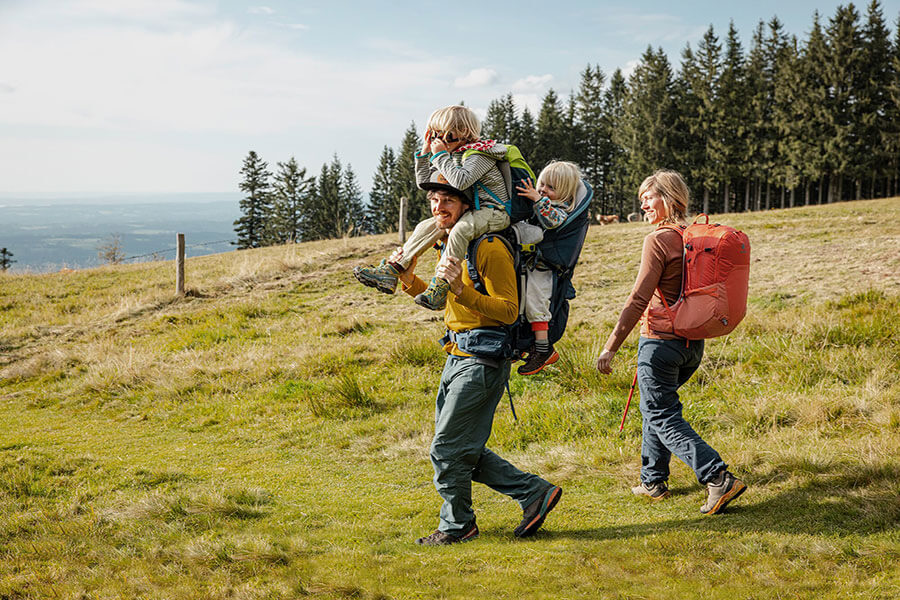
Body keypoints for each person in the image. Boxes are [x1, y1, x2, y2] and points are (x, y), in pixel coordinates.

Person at [390, 174, 561, 545]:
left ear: (467, 204)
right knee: (459, 447)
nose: (439, 208)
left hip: (483, 360)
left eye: (448, 201)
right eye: (434, 201)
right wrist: (408, 279)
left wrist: (460, 289)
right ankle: (534, 493)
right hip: (455, 355)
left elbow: (507, 310)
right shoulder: (451, 247)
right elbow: (451, 302)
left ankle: (457, 526)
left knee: (446, 448)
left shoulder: (489, 248)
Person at [595, 169, 746, 515]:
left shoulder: (658, 240)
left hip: (660, 343)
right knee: (656, 407)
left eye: (649, 197)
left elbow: (637, 299)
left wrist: (611, 346)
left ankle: (717, 476)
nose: (643, 204)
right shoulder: (693, 238)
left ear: (668, 200)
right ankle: (653, 480)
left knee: (660, 413)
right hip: (691, 344)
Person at [354, 105, 511, 311]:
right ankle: (392, 270)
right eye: (433, 132)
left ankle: (441, 284)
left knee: (460, 230)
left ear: (462, 133)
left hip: (495, 212)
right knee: (426, 226)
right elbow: (428, 183)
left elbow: (459, 182)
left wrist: (439, 156)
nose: (436, 137)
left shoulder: (480, 154)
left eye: (441, 133)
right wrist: (425, 155)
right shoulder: (454, 154)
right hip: (474, 210)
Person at [513, 160, 585, 376]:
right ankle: (528, 342)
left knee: (537, 302)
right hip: (531, 263)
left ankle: (544, 348)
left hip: (545, 268)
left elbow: (553, 222)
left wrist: (538, 200)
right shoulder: (542, 204)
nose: (543, 190)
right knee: (525, 302)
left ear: (565, 194)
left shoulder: (560, 210)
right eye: (541, 184)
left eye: (551, 188)